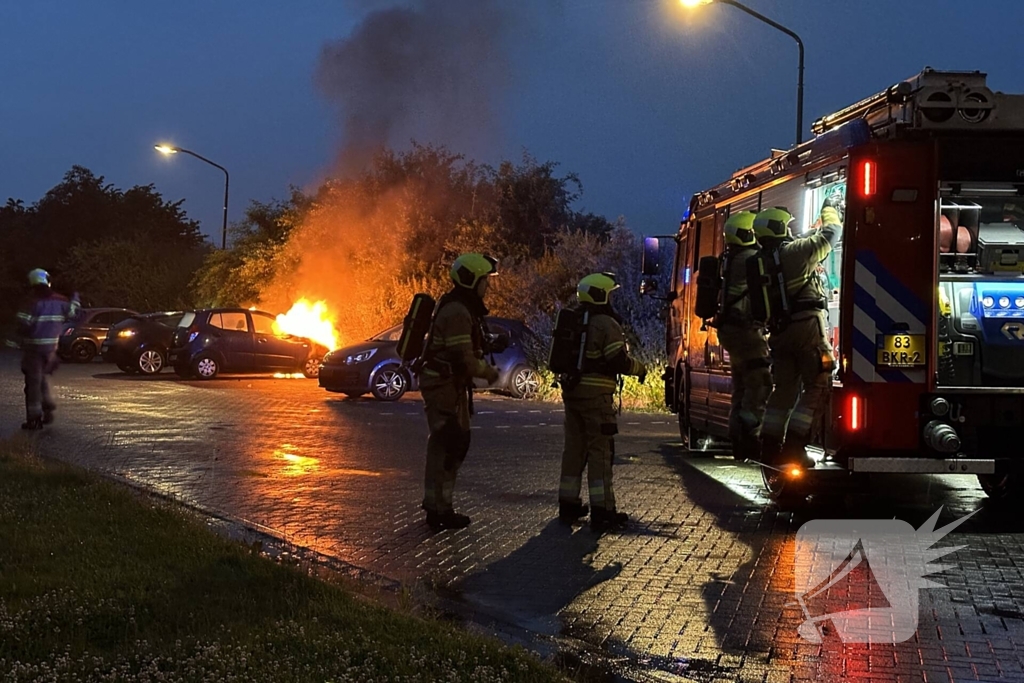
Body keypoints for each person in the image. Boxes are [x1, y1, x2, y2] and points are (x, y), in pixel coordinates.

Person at [755, 204, 843, 469]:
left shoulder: (764, 261)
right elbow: (831, 235)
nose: (791, 230)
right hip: (807, 330)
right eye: (787, 226)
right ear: (780, 228)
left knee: (784, 390)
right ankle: (795, 446)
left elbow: (802, 244)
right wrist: (831, 211)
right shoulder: (794, 253)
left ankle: (770, 447)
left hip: (780, 333)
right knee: (818, 382)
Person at [557, 272, 646, 531]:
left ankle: (568, 503)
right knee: (600, 452)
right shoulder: (606, 324)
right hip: (596, 399)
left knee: (574, 450)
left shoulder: (574, 321)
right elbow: (617, 361)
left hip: (572, 394)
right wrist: (640, 368)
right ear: (601, 295)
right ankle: (603, 510)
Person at [418, 253, 500, 530]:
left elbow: (465, 348)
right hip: (443, 386)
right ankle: (437, 510)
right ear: (471, 280)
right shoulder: (456, 311)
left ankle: (442, 506)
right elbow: (461, 358)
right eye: (485, 280)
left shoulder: (463, 307)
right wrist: (488, 372)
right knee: (446, 444)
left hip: (451, 385)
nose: (487, 285)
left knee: (455, 443)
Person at [715, 211, 772, 461]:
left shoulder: (731, 258)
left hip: (731, 330)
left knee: (741, 385)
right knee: (760, 382)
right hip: (745, 332)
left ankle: (736, 435)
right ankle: (750, 435)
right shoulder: (751, 258)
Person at [12, 269, 80, 430]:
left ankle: (34, 419)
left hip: (34, 348)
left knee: (33, 384)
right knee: (41, 378)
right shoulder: (61, 300)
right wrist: (75, 296)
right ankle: (48, 406)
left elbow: (23, 324)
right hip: (51, 349)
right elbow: (74, 313)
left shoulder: (32, 302)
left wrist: (15, 341)